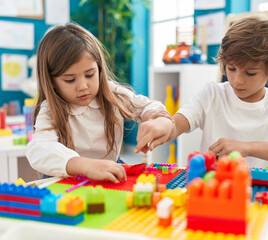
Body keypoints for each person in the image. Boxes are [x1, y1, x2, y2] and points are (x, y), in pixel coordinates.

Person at [136, 15, 268, 169]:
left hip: (258, 192)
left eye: (250, 73)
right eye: (231, 68)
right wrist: (163, 125)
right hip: (213, 186)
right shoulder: (211, 94)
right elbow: (175, 125)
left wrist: (246, 147)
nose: (238, 80)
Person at [26, 23, 173, 183]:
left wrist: (155, 117)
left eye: (89, 75)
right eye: (70, 79)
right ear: (51, 81)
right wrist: (85, 165)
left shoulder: (112, 93)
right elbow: (40, 150)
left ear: (99, 69)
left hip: (109, 172)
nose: (83, 86)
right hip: (67, 178)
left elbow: (149, 106)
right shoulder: (50, 110)